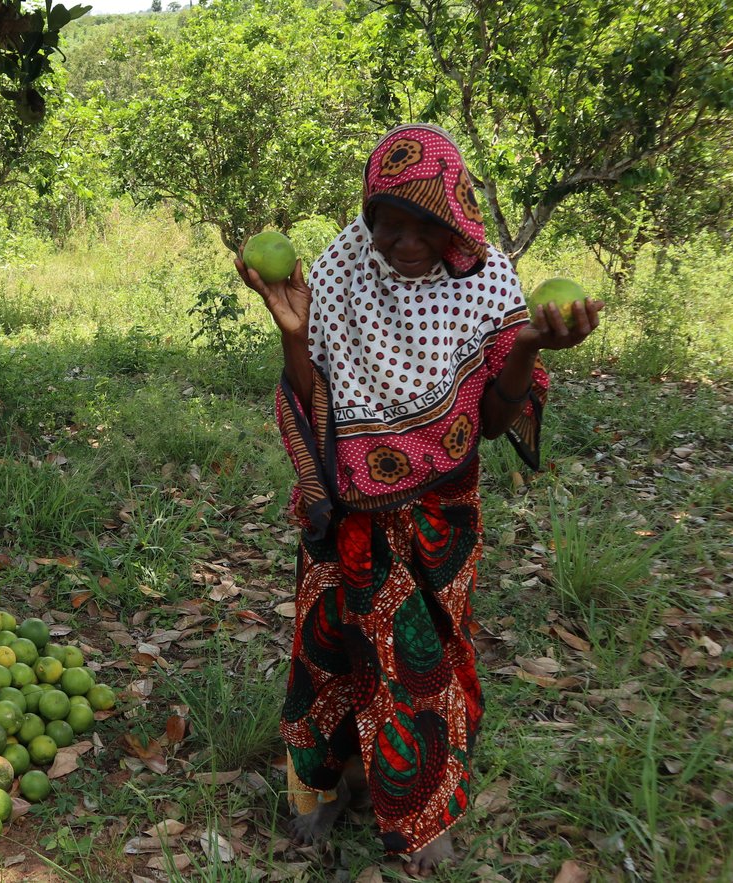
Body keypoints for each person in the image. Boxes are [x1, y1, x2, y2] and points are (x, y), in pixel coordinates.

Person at [234, 124, 602, 874]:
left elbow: (495, 423)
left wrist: (528, 346)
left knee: (420, 657)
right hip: (349, 513)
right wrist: (294, 335)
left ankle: (422, 803)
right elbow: (314, 403)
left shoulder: (489, 281)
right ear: (367, 216)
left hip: (439, 514)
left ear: (457, 220)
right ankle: (332, 781)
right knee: (330, 645)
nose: (404, 241)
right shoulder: (340, 266)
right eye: (388, 222)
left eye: (425, 223)